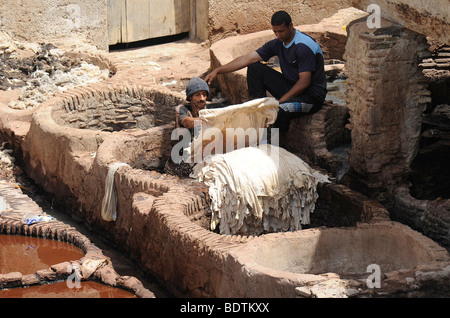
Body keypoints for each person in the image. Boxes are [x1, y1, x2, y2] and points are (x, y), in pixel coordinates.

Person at [205, 10, 327, 144]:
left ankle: (274, 145)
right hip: (291, 86)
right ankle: (258, 113)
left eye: (281, 31)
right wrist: (218, 70)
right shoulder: (277, 43)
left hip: (311, 96)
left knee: (279, 110)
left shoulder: (303, 46)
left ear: (290, 26)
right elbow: (247, 59)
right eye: (275, 32)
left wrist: (280, 101)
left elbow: (304, 82)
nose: (278, 35)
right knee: (255, 68)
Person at [165, 77, 223, 177]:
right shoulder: (183, 109)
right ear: (191, 97)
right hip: (182, 157)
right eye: (197, 95)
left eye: (204, 95)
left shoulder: (210, 109)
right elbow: (186, 122)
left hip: (202, 155)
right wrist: (205, 121)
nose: (202, 98)